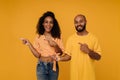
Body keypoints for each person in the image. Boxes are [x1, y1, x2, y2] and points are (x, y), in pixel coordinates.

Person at [20, 11, 70, 80]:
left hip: (53, 67)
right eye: (46, 22)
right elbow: (37, 55)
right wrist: (29, 44)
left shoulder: (58, 36)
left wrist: (54, 44)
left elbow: (61, 53)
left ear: (53, 24)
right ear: (43, 24)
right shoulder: (38, 36)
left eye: (51, 22)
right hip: (41, 67)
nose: (48, 24)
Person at [65, 14, 102, 80]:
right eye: (76, 22)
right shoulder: (70, 39)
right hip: (75, 77)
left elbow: (98, 57)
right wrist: (58, 58)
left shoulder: (93, 38)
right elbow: (68, 56)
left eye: (81, 21)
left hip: (89, 77)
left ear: (86, 22)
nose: (78, 24)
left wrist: (88, 51)